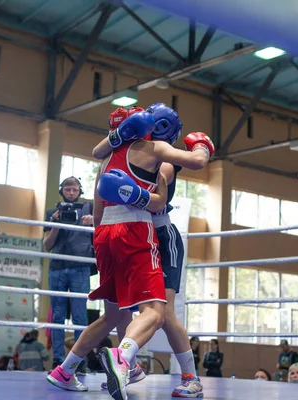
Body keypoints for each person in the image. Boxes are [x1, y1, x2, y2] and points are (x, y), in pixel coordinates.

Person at [47, 106, 212, 400]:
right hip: (140, 231)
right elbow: (165, 197)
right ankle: (127, 360)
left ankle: (69, 369)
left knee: (119, 314)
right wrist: (201, 145)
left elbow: (99, 208)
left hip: (111, 235)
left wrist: (101, 243)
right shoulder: (157, 151)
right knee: (157, 311)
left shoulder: (109, 158)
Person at [91, 103, 207, 397]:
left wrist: (203, 150)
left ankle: (191, 376)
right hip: (130, 235)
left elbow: (175, 177)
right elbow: (98, 153)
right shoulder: (120, 150)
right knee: (124, 309)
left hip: (158, 236)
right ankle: (125, 366)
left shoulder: (159, 154)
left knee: (162, 313)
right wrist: (202, 146)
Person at [43, 176, 95, 370]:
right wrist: (55, 223)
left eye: (74, 189)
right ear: (61, 191)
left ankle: (80, 360)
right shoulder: (52, 212)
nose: (71, 193)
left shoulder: (89, 209)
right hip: (57, 267)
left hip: (81, 267)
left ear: (80, 191)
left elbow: (103, 234)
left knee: (80, 316)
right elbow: (47, 246)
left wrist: (94, 222)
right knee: (57, 316)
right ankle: (58, 360)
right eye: (67, 189)